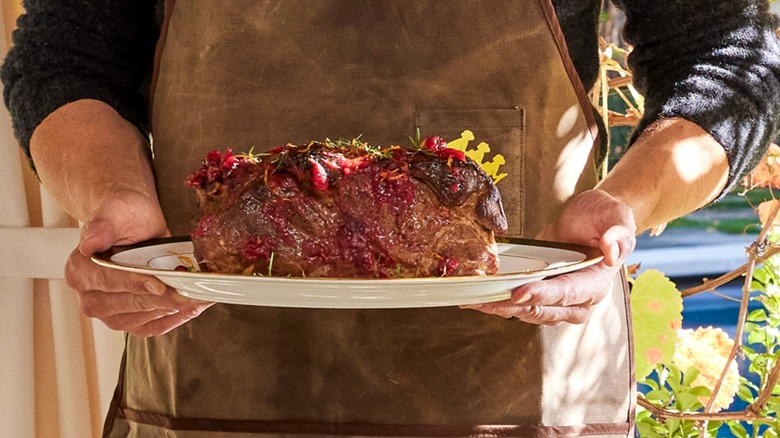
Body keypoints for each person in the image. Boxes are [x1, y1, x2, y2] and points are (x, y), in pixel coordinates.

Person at [3, 0, 778, 437]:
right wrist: (114, 200)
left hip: (525, 403)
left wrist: (624, 206)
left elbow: (734, 60)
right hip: (213, 402)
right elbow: (65, 58)